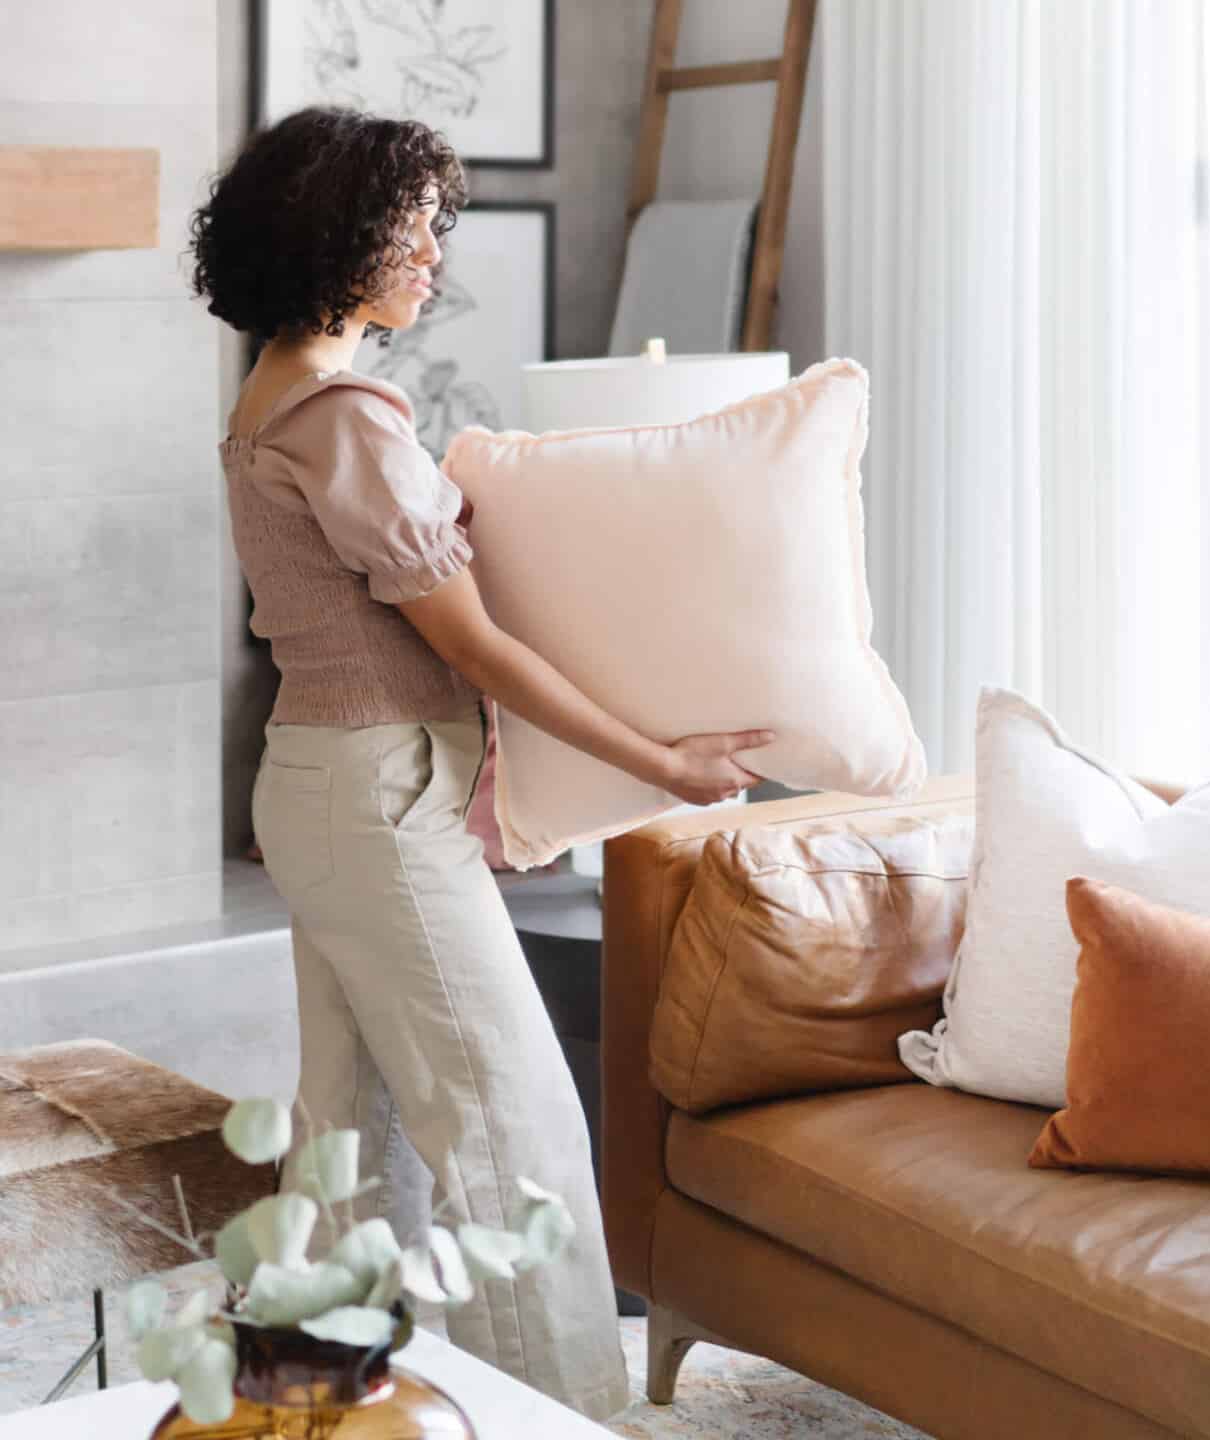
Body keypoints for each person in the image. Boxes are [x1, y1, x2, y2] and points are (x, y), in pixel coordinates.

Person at [189, 105, 773, 1421]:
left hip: (328, 783)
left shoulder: (274, 394)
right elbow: (482, 649)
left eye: (437, 227)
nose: (432, 256)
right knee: (517, 1136)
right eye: (411, 229)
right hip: (377, 792)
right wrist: (661, 759)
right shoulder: (342, 420)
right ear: (338, 236)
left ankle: (305, 1399)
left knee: (348, 1137)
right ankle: (562, 1414)